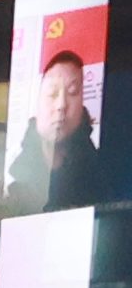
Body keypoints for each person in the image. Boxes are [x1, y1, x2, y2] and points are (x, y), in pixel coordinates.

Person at [7, 33, 102, 212]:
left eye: (72, 92)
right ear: (37, 102)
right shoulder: (10, 179)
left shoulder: (102, 175)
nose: (61, 105)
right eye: (52, 94)